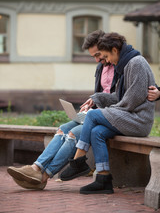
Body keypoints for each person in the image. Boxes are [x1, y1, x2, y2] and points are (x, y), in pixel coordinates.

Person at [7, 30, 115, 190]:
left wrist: (97, 101)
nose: (97, 59)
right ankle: (36, 168)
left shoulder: (119, 65)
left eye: (98, 54)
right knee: (63, 129)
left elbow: (119, 96)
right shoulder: (101, 67)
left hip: (109, 117)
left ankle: (43, 178)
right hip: (96, 113)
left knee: (72, 134)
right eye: (93, 56)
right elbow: (102, 93)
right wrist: (91, 104)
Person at [60, 32, 156, 195]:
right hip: (128, 117)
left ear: (114, 50)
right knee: (97, 132)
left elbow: (134, 99)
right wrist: (96, 98)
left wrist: (106, 112)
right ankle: (103, 180)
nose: (107, 61)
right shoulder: (124, 65)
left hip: (139, 121)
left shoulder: (136, 63)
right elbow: (119, 98)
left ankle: (78, 161)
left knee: (92, 115)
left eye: (106, 56)